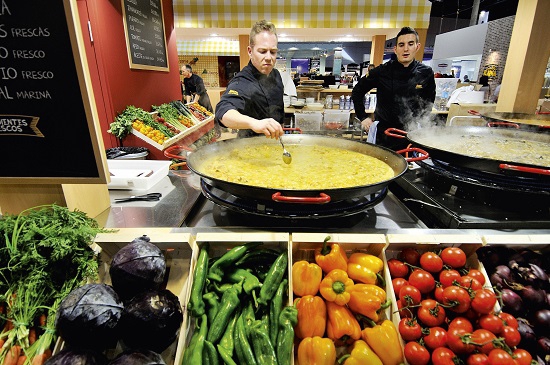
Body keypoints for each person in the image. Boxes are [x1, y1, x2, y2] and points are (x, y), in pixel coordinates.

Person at [351, 27, 436, 150]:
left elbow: (429, 103)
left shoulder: (426, 72)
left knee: (410, 167)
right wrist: (363, 117)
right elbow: (357, 91)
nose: (406, 49)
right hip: (384, 134)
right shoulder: (382, 71)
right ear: (395, 49)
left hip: (411, 134)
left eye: (410, 44)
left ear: (417, 47)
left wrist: (423, 124)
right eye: (401, 45)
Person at [215, 20, 284, 139]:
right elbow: (223, 112)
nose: (268, 57)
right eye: (262, 51)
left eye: (273, 52)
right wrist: (254, 123)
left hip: (276, 143)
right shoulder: (241, 81)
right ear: (250, 51)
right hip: (249, 146)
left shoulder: (276, 75)